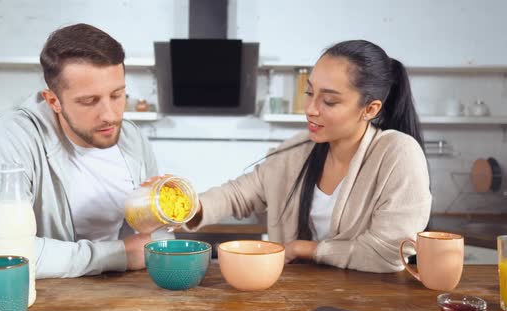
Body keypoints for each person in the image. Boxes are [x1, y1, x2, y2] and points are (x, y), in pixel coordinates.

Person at [185, 40, 432, 273]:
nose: (311, 109)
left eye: (329, 101)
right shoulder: (296, 150)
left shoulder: (397, 153)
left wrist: (304, 248)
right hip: (295, 296)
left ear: (370, 109)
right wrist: (184, 207)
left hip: (367, 301)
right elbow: (237, 195)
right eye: (309, 92)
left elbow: (388, 252)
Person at [0, 23, 163, 279]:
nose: (109, 115)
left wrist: (155, 211)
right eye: (89, 101)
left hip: (125, 295)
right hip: (44, 300)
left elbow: (148, 240)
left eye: (117, 95)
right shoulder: (10, 139)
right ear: (53, 101)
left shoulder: (131, 138)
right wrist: (118, 255)